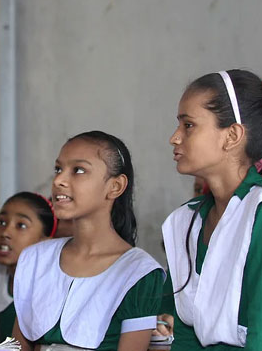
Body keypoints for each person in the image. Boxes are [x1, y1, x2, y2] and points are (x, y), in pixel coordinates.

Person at [162, 70, 262, 350]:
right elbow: (181, 334)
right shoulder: (185, 220)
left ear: (232, 135)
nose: (175, 138)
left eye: (188, 125)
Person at [13, 131, 164, 351]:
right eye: (58, 169)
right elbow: (19, 345)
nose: (58, 181)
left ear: (115, 186)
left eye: (79, 170)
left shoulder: (139, 272)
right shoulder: (35, 259)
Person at [0, 192, 57, 345]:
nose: (5, 233)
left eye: (21, 225)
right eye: (1, 222)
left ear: (45, 240)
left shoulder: (52, 282)